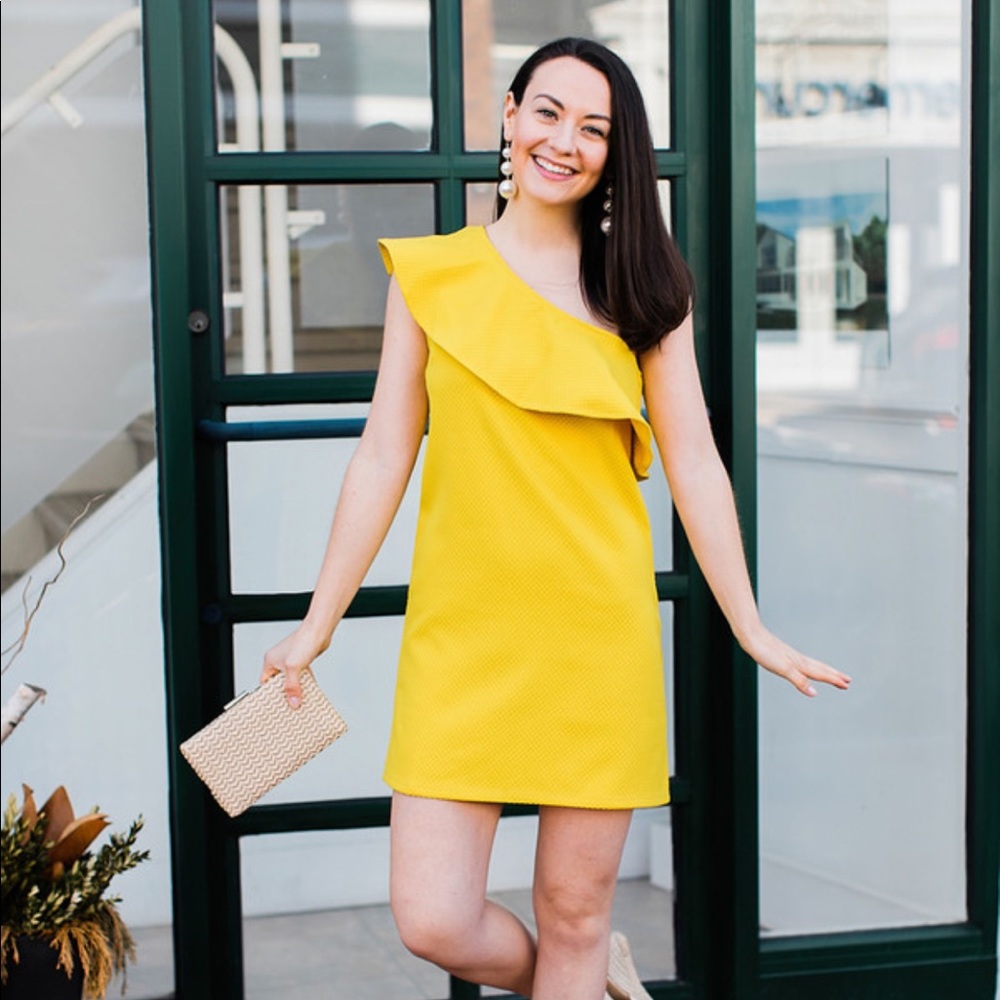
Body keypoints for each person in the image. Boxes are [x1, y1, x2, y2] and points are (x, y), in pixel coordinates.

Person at [261, 36, 851, 1000]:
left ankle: (581, 965)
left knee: (576, 915)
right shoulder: (430, 276)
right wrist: (315, 624)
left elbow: (696, 461)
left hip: (595, 637)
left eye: (594, 128)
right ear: (510, 116)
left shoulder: (645, 292)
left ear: (615, 154)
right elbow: (381, 454)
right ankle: (580, 977)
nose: (564, 141)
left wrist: (749, 623)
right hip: (463, 638)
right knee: (433, 919)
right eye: (548, 112)